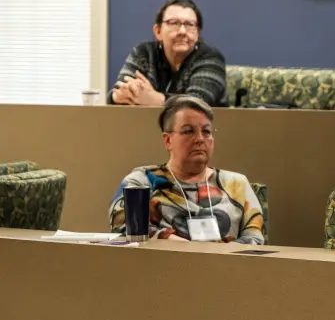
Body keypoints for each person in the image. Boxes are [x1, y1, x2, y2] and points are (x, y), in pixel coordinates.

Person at [109, 95, 264, 244]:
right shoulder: (142, 180)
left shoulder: (236, 183)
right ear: (168, 140)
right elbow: (122, 224)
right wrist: (178, 245)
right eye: (189, 131)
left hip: (227, 267)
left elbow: (255, 237)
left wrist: (221, 257)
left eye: (206, 131)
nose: (200, 139)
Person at [109, 0, 228, 107]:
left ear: (197, 33)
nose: (182, 31)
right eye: (173, 23)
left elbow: (196, 105)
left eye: (189, 24)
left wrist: (156, 100)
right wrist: (122, 94)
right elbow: (117, 93)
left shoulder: (211, 58)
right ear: (158, 31)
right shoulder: (144, 53)